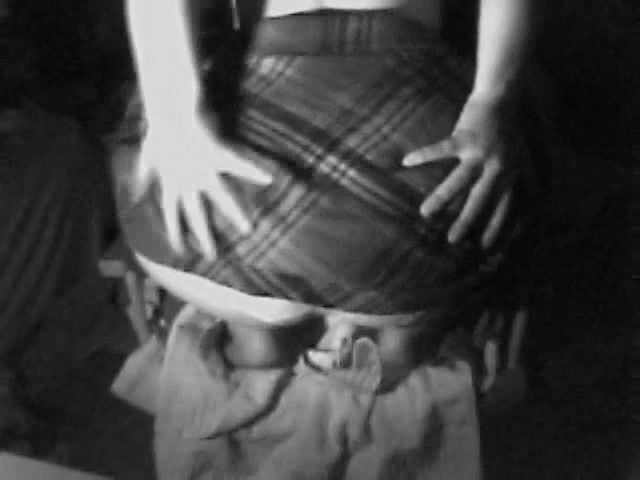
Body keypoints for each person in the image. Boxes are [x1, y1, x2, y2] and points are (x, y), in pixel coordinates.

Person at [111, 0, 539, 478]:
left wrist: (174, 117)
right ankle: (398, 354)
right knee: (505, 169)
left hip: (231, 230)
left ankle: (255, 343)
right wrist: (489, 105)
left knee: (162, 172)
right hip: (416, 221)